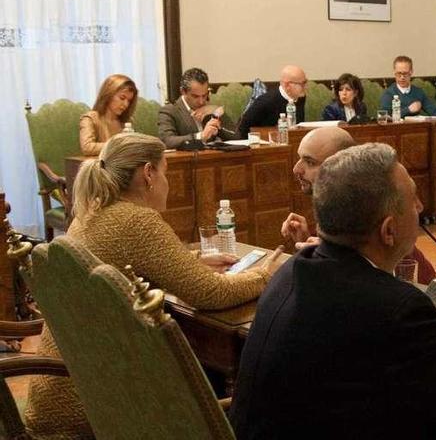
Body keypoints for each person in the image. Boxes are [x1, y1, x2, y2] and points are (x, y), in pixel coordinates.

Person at [231, 143, 436, 439]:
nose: (420, 207)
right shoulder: (396, 310)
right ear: (389, 231)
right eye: (413, 199)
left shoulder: (291, 271)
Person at [24, 132, 284, 438]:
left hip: (59, 388)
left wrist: (191, 259)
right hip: (91, 405)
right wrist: (269, 275)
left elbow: (127, 254)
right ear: (149, 173)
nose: (167, 182)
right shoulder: (136, 220)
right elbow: (212, 293)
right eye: (166, 172)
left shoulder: (92, 210)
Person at [281, 126, 436, 284]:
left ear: (339, 168)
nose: (296, 169)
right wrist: (311, 246)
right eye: (299, 158)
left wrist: (331, 255)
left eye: (309, 162)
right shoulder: (332, 208)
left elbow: (420, 282)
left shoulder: (370, 207)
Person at [158, 67, 237, 148]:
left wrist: (216, 110)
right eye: (195, 96)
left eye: (204, 95)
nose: (201, 101)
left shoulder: (210, 107)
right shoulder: (170, 111)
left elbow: (236, 136)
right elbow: (167, 141)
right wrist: (200, 136)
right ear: (183, 91)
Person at [238, 65, 308, 136]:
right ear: (287, 86)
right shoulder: (265, 101)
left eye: (306, 82)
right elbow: (243, 129)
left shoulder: (300, 97)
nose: (306, 87)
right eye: (302, 84)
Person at [79, 74, 138, 156]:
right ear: (108, 95)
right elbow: (87, 147)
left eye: (129, 101)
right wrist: (118, 145)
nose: (125, 104)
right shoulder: (90, 118)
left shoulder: (126, 121)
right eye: (122, 98)